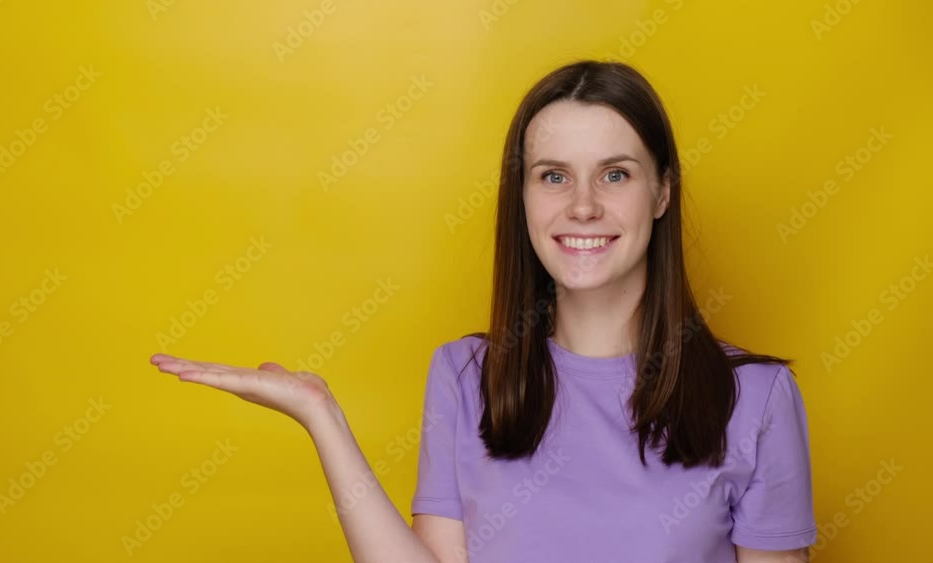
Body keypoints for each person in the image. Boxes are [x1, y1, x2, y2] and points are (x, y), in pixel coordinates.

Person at [150, 59, 817, 563]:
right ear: (522, 196)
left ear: (663, 191)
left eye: (615, 173)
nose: (583, 205)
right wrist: (320, 414)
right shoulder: (465, 376)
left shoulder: (756, 398)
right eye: (553, 175)